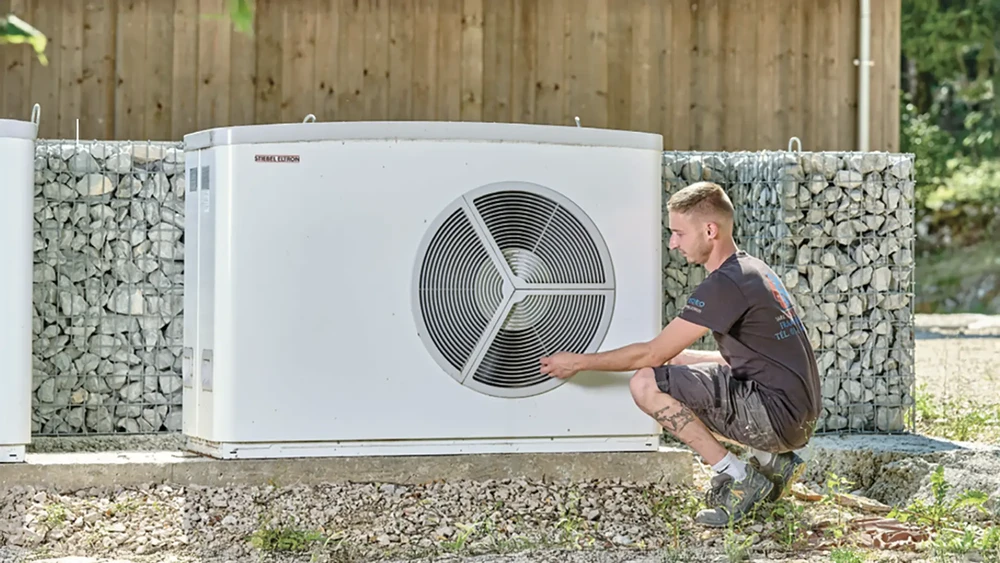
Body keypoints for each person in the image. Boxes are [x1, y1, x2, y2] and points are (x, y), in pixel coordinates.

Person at [539, 181, 822, 528]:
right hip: (797, 415)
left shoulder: (724, 284)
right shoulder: (753, 270)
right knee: (676, 361)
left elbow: (650, 353)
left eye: (679, 233)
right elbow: (750, 360)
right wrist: (681, 359)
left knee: (646, 383)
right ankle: (772, 461)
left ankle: (738, 478)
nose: (673, 243)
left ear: (710, 230)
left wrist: (579, 362)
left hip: (775, 417)